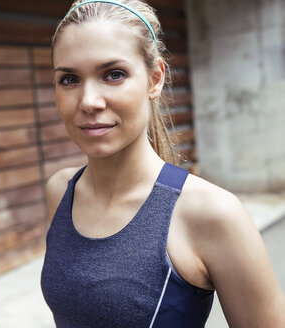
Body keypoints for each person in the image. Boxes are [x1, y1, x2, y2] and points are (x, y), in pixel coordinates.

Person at [40, 1, 285, 327]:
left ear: (154, 79)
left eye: (114, 75)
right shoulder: (61, 191)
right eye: (69, 79)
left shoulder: (211, 213)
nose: (89, 101)